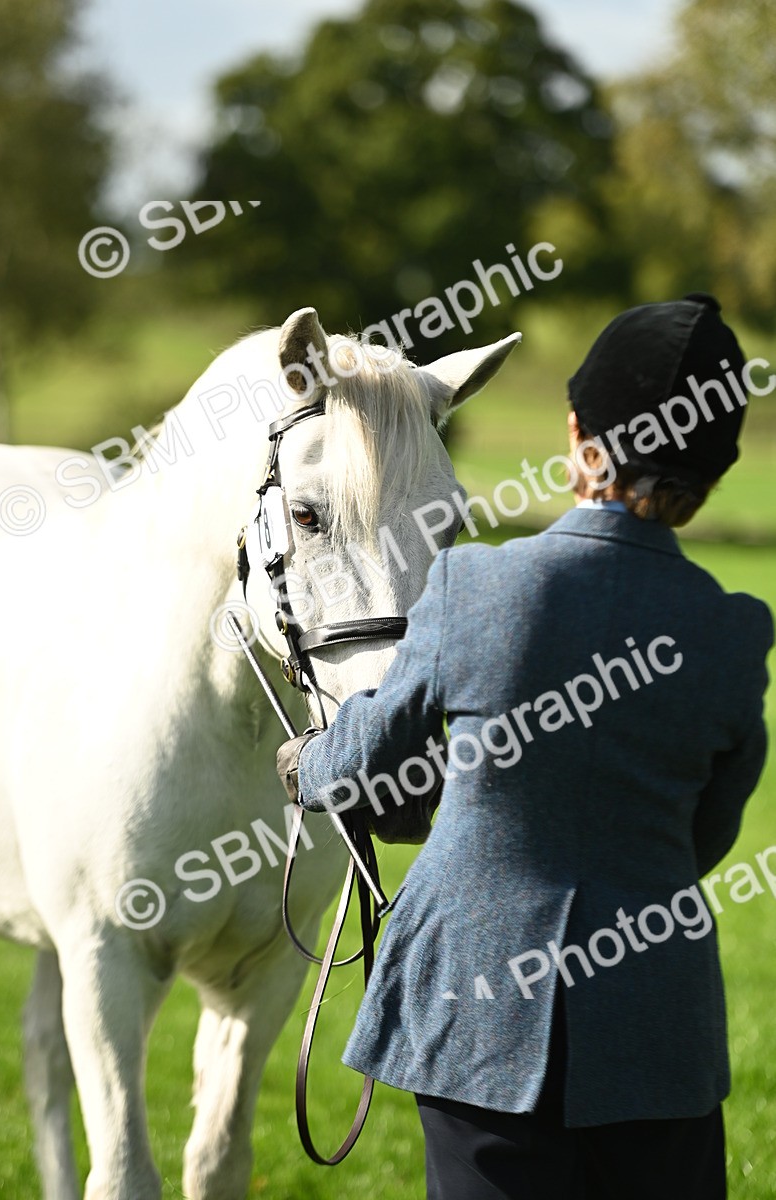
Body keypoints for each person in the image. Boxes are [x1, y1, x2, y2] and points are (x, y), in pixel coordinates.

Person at [276, 293, 773, 1200]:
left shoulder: (478, 583)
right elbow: (706, 837)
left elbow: (361, 758)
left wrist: (301, 763)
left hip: (477, 1018)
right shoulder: (736, 633)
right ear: (714, 472)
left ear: (581, 435)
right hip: (657, 1028)